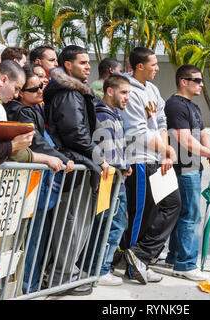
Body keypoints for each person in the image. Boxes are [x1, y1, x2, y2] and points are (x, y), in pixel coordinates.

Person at [42, 45, 108, 296]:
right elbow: (75, 134)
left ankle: (69, 272)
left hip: (80, 162)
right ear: (67, 66)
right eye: (82, 62)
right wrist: (99, 158)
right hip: (74, 163)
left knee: (78, 223)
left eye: (88, 62)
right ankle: (62, 276)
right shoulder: (67, 93)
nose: (88, 66)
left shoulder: (73, 91)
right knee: (71, 224)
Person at [4, 65, 74, 293]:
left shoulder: (36, 109)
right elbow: (37, 143)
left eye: (41, 86)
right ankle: (26, 287)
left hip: (44, 183)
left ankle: (31, 285)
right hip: (32, 186)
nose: (39, 90)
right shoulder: (22, 111)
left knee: (39, 237)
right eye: (33, 88)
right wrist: (61, 158)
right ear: (20, 92)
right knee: (31, 239)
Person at [117, 47, 181, 285]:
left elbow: (161, 122)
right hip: (140, 160)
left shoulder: (152, 89)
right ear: (140, 66)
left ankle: (140, 256)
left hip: (157, 159)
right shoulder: (130, 91)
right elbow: (138, 132)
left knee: (172, 205)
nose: (157, 68)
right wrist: (165, 149)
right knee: (141, 215)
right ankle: (133, 264)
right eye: (153, 64)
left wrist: (165, 153)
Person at [164, 64, 210, 281]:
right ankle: (186, 263)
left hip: (193, 167)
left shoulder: (193, 107)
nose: (201, 84)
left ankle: (174, 257)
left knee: (184, 215)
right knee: (190, 216)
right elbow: (184, 139)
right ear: (183, 81)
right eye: (197, 80)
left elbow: (202, 134)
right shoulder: (175, 105)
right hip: (183, 168)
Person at [83, 74, 132, 286]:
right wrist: (125, 165)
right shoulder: (104, 116)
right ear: (110, 91)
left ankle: (97, 268)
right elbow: (108, 155)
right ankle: (99, 269)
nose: (127, 97)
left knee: (112, 224)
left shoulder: (114, 115)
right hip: (108, 182)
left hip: (113, 181)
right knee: (110, 226)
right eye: (123, 92)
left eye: (129, 93)